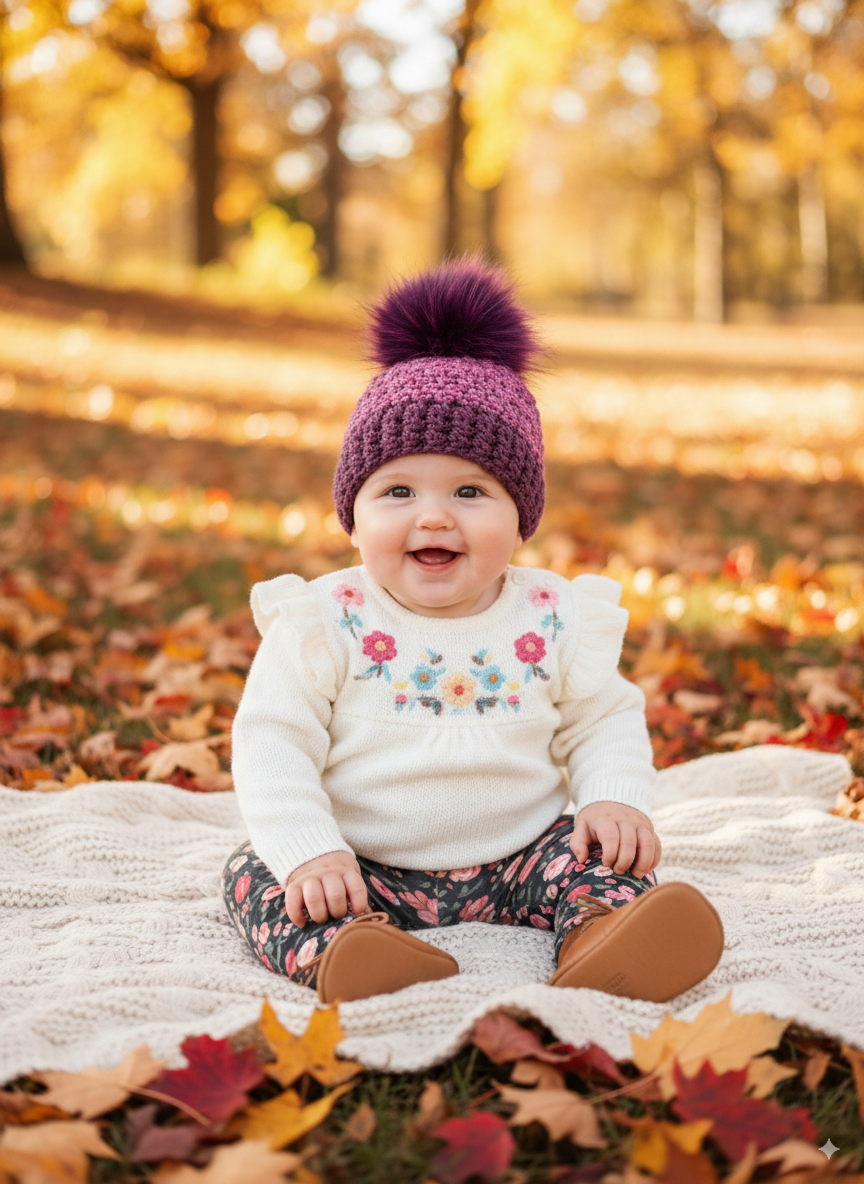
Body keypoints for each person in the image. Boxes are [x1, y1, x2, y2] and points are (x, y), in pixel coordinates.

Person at [222, 260, 724, 1004]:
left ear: (520, 518)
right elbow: (272, 745)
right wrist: (312, 853)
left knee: (607, 859)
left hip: (520, 857)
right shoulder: (324, 622)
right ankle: (346, 954)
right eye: (397, 491)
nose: (433, 517)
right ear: (351, 517)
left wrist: (613, 798)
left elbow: (602, 718)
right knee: (254, 875)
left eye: (470, 491)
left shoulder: (553, 616)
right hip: (365, 865)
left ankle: (598, 934)